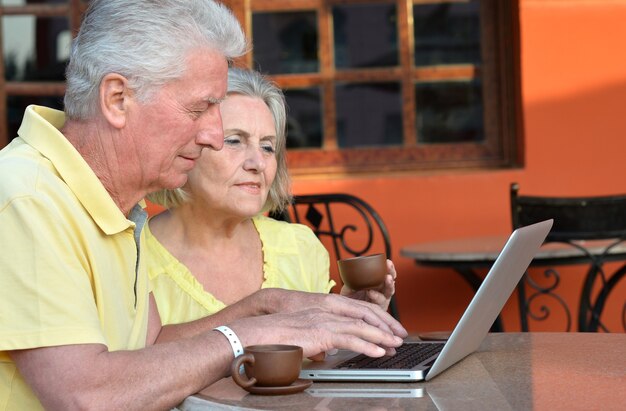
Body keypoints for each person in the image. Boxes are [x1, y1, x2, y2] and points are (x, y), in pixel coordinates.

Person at [0, 1, 406, 410]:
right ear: (118, 99)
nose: (214, 134)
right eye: (199, 108)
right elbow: (88, 396)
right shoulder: (26, 198)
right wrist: (245, 336)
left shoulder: (114, 205)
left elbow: (152, 348)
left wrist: (266, 307)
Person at [145, 67, 397, 326]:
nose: (258, 163)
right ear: (186, 147)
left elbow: (318, 361)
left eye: (267, 147)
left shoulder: (299, 248)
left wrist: (350, 319)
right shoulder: (133, 257)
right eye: (234, 141)